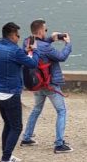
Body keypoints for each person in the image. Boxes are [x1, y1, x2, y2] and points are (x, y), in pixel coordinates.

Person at [20, 19, 73, 154]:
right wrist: (68, 44)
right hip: (50, 84)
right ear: (40, 31)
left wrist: (51, 38)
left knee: (36, 109)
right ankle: (59, 144)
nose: (46, 31)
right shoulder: (46, 47)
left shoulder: (28, 42)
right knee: (61, 111)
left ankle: (26, 137)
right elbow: (61, 56)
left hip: (37, 83)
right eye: (46, 30)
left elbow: (41, 46)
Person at [0, 22, 38, 162]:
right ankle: (5, 160)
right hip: (10, 94)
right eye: (18, 35)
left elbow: (16, 58)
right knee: (17, 127)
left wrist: (25, 52)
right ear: (12, 35)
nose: (19, 38)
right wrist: (33, 51)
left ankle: (7, 154)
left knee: (8, 124)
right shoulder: (15, 51)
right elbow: (33, 64)